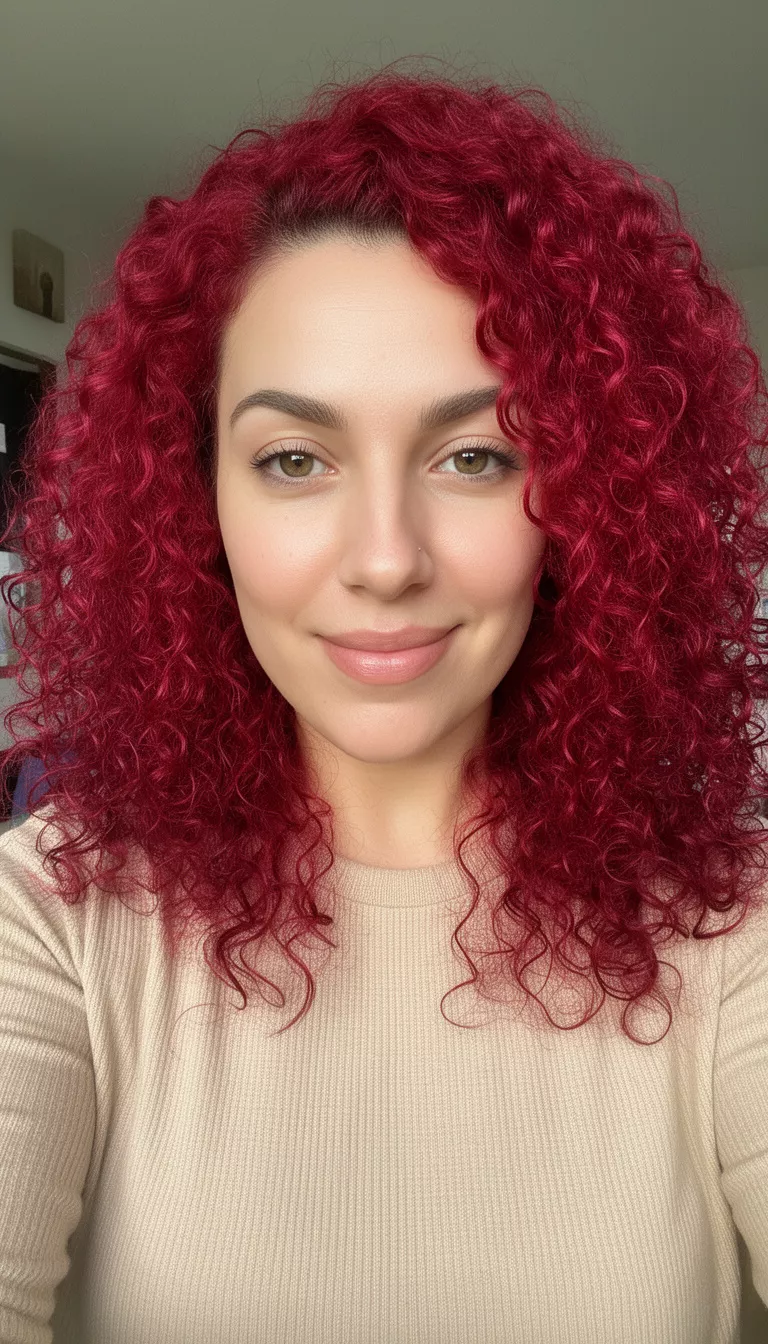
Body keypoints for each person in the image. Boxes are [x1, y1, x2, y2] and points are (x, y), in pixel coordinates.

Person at [0, 61, 767, 1344]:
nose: (386, 557)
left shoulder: (727, 936)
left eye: (476, 455)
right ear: (202, 505)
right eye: (294, 459)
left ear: (582, 501)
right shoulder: (56, 922)